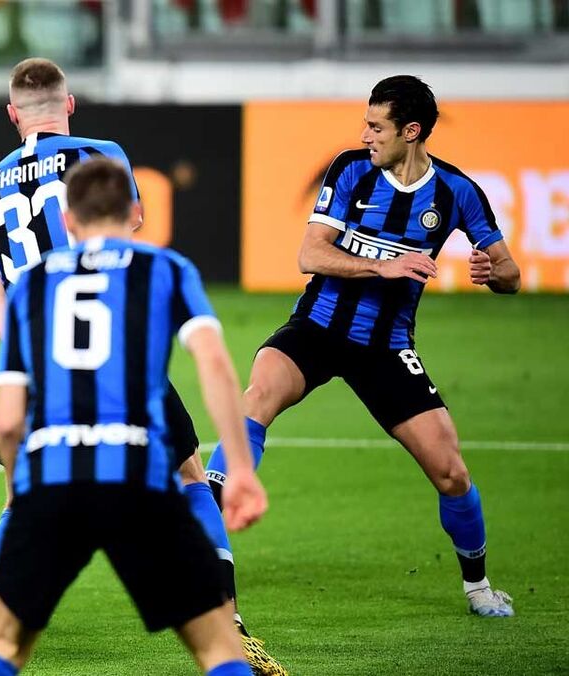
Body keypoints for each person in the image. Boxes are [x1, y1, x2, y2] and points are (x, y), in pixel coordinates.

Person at [0, 57, 285, 675]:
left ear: (11, 114)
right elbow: (213, 363)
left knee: (8, 624)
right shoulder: (109, 165)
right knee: (192, 479)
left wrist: (28, 355)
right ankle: (232, 625)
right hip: (129, 407)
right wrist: (241, 471)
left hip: (46, 393)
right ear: (70, 104)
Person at [203, 75, 520, 618]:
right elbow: (311, 254)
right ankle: (201, 537)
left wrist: (494, 273)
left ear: (411, 131)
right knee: (256, 398)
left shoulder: (456, 192)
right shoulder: (350, 169)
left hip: (385, 347)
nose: (365, 135)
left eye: (377, 126)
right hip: (316, 329)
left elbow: (510, 272)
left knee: (451, 471)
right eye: (365, 124)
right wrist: (384, 266)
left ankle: (478, 586)